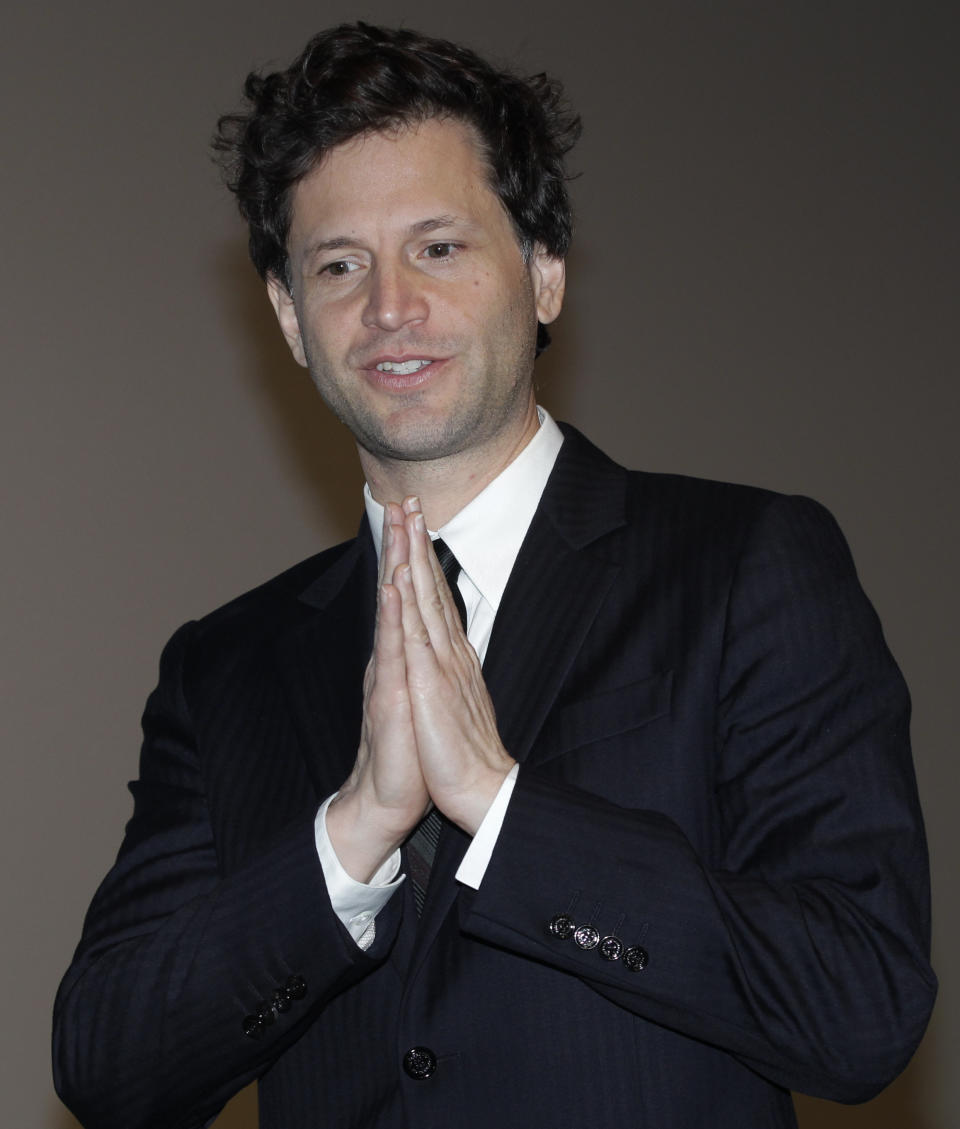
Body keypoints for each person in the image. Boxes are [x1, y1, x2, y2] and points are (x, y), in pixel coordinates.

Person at [53, 22, 936, 1129]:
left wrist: (503, 808)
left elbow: (858, 1008)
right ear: (289, 318)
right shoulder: (223, 666)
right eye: (337, 265)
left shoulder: (745, 565)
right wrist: (355, 832)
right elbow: (107, 1065)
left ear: (546, 274)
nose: (388, 308)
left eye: (439, 246)